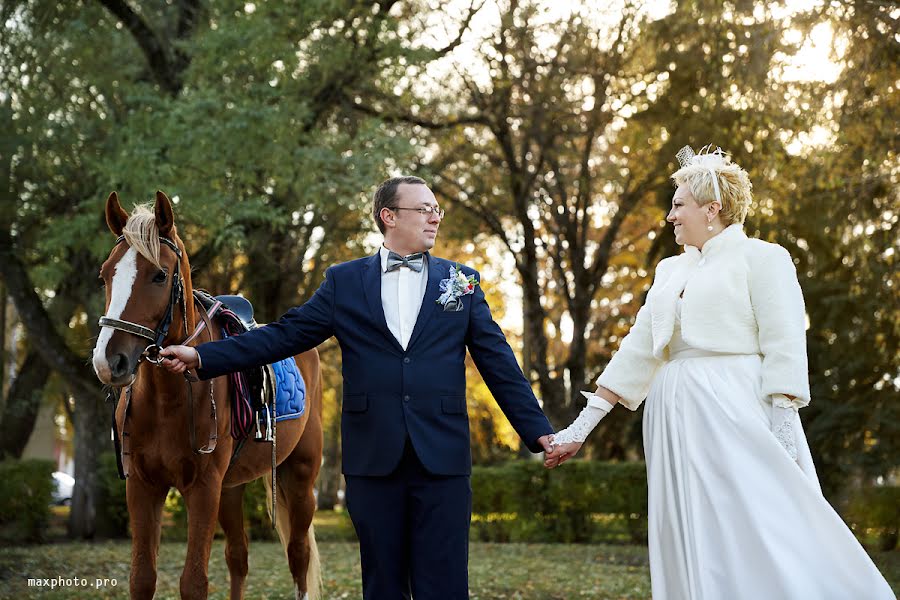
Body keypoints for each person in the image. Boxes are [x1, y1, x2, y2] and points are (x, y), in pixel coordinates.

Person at [160, 176, 555, 599]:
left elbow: (499, 364)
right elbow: (282, 336)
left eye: (437, 209)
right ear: (389, 217)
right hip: (373, 461)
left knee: (446, 585)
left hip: (443, 459)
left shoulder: (463, 282)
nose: (435, 217)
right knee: (382, 585)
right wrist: (203, 357)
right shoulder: (344, 282)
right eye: (424, 209)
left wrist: (539, 432)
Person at [544, 146, 895, 599]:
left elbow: (785, 345)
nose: (670, 216)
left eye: (678, 205)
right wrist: (581, 427)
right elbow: (637, 352)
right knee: (691, 528)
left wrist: (784, 429)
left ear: (712, 209)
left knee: (759, 521)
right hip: (673, 415)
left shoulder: (764, 258)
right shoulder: (670, 270)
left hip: (736, 408)